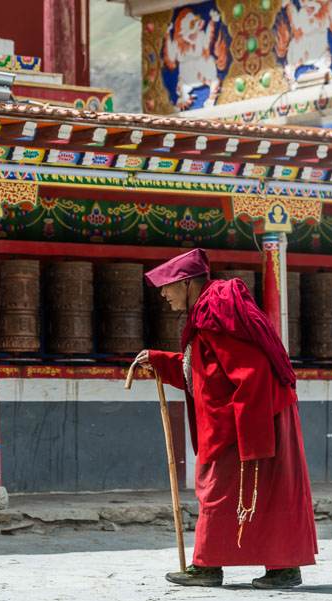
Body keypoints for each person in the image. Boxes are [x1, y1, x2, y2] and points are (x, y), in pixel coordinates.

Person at [136, 248, 317, 589]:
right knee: (254, 489)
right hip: (251, 413)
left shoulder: (215, 311)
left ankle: (222, 566)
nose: (163, 294)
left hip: (254, 415)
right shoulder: (208, 313)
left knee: (228, 488)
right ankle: (266, 567)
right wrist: (161, 361)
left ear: (188, 284)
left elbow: (252, 370)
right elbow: (210, 371)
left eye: (168, 287)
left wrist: (250, 432)